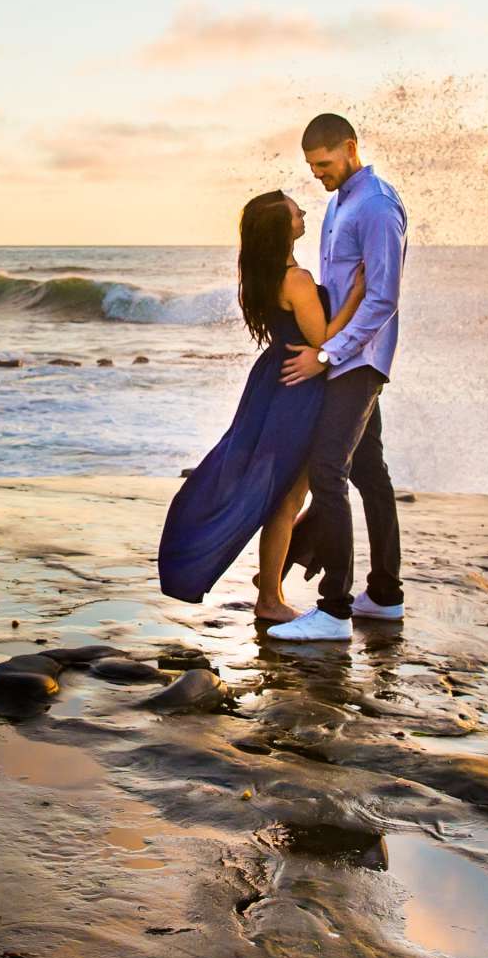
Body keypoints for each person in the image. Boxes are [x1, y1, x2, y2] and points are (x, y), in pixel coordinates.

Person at [158, 191, 365, 620]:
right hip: (299, 389)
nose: (303, 213)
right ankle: (269, 598)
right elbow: (324, 339)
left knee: (284, 491)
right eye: (295, 212)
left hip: (274, 382)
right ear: (281, 229)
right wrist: (357, 297)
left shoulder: (264, 275)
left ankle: (272, 578)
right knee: (286, 497)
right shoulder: (296, 280)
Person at [265, 112, 407, 643]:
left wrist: (328, 355)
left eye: (324, 163)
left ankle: (335, 610)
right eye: (311, 167)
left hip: (359, 361)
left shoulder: (376, 206)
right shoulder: (339, 202)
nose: (318, 174)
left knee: (327, 470)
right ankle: (386, 596)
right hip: (345, 356)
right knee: (369, 473)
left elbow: (384, 297)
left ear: (350, 147)